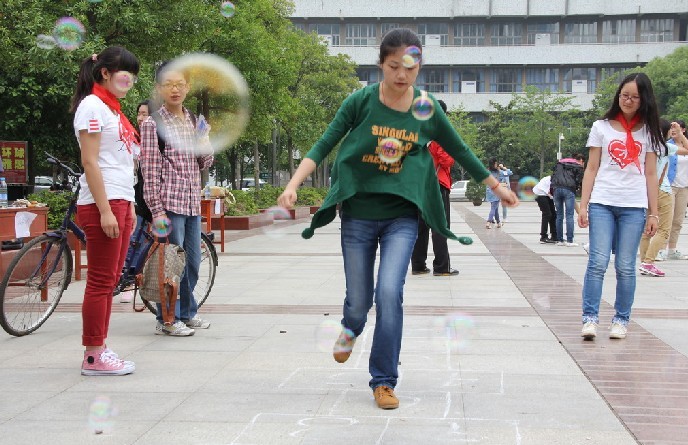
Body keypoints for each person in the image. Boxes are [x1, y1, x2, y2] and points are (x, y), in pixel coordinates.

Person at [277, 28, 518, 410]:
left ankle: (384, 380)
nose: (402, 75)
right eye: (393, 66)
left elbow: (460, 149)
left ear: (419, 67)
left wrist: (497, 186)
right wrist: (293, 184)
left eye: (410, 67)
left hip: (402, 217)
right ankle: (350, 328)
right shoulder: (360, 102)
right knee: (359, 302)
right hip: (358, 214)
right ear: (381, 65)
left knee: (390, 293)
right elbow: (324, 143)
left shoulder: (426, 107)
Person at [70, 47, 140, 376]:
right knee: (100, 281)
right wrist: (105, 211)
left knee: (110, 279)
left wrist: (130, 206)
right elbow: (90, 161)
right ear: (105, 73)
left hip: (120, 199)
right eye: (125, 74)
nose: (130, 81)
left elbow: (121, 162)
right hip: (103, 202)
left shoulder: (113, 110)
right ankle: (93, 355)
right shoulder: (92, 106)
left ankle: (100, 346)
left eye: (133, 76)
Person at [578, 72, 661, 340]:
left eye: (635, 97)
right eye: (625, 95)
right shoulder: (601, 127)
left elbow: (651, 174)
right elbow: (592, 168)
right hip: (602, 202)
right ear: (618, 96)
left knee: (625, 266)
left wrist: (654, 213)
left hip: (633, 206)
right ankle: (590, 319)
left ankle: (621, 320)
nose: (628, 101)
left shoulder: (649, 131)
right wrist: (583, 204)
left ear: (644, 100)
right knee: (597, 262)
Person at [140, 62, 213, 336]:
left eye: (180, 84)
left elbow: (206, 161)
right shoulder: (153, 124)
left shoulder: (195, 121)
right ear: (159, 89)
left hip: (192, 202)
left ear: (188, 87)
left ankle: (186, 313)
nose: (175, 89)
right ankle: (167, 319)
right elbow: (149, 170)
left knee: (192, 263)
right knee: (170, 264)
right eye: (169, 84)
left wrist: (203, 141)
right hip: (169, 204)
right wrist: (156, 211)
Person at [411, 100, 459, 277]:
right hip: (437, 184)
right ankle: (442, 266)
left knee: (421, 226)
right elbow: (447, 161)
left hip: (419, 184)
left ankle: (418, 265)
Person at [638, 120, 688, 276]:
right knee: (664, 230)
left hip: (647, 190)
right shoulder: (666, 147)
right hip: (663, 190)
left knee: (647, 229)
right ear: (666, 132)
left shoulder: (646, 146)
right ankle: (648, 262)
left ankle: (644, 261)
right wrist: (680, 134)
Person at [119, 99, 151, 304]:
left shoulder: (158, 139)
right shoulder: (132, 138)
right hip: (136, 196)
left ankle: (147, 282)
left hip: (154, 198)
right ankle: (128, 281)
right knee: (134, 238)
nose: (140, 118)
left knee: (151, 240)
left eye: (145, 114)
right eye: (139, 114)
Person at [659, 120, 688, 261]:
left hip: (684, 186)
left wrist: (681, 136)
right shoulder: (667, 145)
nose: (674, 130)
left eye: (677, 128)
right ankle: (661, 249)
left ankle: (672, 249)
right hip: (670, 185)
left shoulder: (685, 144)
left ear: (683, 129)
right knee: (667, 220)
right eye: (671, 128)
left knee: (678, 220)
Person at [551, 153, 585, 246]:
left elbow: (553, 176)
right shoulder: (577, 166)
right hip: (569, 189)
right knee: (569, 215)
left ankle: (560, 240)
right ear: (580, 160)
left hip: (556, 189)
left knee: (559, 215)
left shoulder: (560, 164)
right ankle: (570, 240)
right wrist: (576, 187)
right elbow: (579, 179)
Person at [532, 175, 557, 243]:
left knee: (554, 215)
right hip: (540, 194)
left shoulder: (558, 178)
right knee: (547, 214)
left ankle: (554, 236)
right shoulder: (552, 179)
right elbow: (550, 192)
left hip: (546, 194)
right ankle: (543, 236)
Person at [485, 159, 503, 229]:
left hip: (489, 191)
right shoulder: (498, 172)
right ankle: (488, 222)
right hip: (496, 192)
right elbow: (509, 173)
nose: (497, 164)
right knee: (493, 208)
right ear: (494, 164)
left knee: (495, 208)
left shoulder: (487, 171)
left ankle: (498, 222)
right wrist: (502, 168)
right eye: (496, 163)